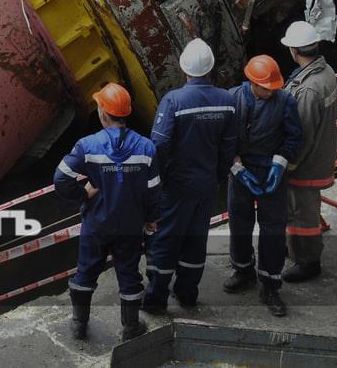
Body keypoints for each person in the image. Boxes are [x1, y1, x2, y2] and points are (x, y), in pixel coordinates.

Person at [54, 82, 159, 341]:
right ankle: (131, 328)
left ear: (102, 112)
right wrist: (151, 219)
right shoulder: (147, 148)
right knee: (129, 276)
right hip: (130, 226)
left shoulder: (87, 146)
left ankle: (79, 325)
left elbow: (61, 178)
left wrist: (82, 194)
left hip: (96, 224)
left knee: (86, 272)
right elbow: (153, 190)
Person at [142, 38, 237, 312]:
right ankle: (187, 293)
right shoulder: (227, 101)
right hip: (206, 185)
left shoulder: (174, 101)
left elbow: (158, 145)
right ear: (210, 68)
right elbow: (228, 147)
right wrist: (215, 176)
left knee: (166, 239)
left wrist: (156, 182)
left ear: (185, 69)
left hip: (176, 187)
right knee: (196, 240)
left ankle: (156, 298)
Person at [223, 55, 302, 316]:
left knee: (273, 229)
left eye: (273, 88)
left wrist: (280, 163)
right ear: (252, 83)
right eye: (266, 88)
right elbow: (221, 138)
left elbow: (294, 136)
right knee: (239, 222)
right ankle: (243, 269)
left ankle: (270, 285)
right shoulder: (232, 98)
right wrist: (234, 165)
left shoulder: (285, 101)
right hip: (241, 170)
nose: (271, 91)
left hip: (270, 171)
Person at [279, 20, 337, 283]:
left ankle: (308, 262)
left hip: (306, 164)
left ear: (294, 50)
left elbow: (301, 135)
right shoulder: (326, 73)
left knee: (301, 214)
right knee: (304, 210)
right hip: (320, 155)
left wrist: (288, 163)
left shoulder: (308, 89)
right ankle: (294, 249)